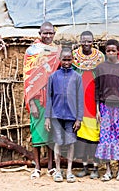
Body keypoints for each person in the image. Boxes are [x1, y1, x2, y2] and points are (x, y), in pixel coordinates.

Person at [23, 21, 61, 179]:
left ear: (54, 34)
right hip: (37, 97)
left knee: (51, 132)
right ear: (39, 34)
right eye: (44, 33)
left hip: (52, 97)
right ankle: (37, 167)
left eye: (50, 33)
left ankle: (51, 166)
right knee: (37, 132)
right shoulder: (32, 51)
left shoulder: (57, 51)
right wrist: (31, 102)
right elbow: (28, 78)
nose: (47, 36)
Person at [94, 39, 119, 182]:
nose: (111, 53)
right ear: (105, 52)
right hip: (105, 107)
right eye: (108, 51)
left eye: (113, 50)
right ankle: (108, 170)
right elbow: (97, 89)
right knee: (105, 137)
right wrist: (98, 108)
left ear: (118, 51)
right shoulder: (100, 68)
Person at [44, 48, 84, 183]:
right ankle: (58, 171)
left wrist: (79, 118)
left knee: (71, 143)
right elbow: (49, 98)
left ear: (72, 60)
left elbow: (80, 99)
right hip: (56, 115)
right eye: (64, 60)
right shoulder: (53, 77)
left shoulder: (77, 77)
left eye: (69, 59)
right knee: (58, 142)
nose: (67, 62)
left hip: (72, 117)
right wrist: (47, 117)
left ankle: (69, 171)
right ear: (59, 60)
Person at [72, 31, 105, 179]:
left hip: (94, 102)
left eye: (89, 41)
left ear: (93, 42)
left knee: (96, 138)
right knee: (83, 139)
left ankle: (96, 168)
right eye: (83, 41)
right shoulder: (74, 58)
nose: (86, 44)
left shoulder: (100, 58)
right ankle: (85, 167)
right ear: (80, 41)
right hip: (80, 102)